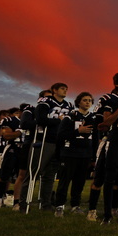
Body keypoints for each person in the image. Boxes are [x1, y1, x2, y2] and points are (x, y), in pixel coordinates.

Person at [91, 72, 118, 223]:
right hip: (115, 138)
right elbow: (105, 122)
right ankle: (107, 215)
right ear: (117, 83)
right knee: (109, 177)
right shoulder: (109, 98)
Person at [54, 92, 100, 217]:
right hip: (69, 153)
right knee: (64, 181)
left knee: (79, 183)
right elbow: (60, 136)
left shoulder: (93, 118)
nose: (87, 102)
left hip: (85, 155)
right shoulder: (70, 116)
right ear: (78, 101)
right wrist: (77, 131)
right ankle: (59, 206)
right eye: (84, 100)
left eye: (90, 100)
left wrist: (94, 156)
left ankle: (75, 205)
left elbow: (95, 139)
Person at [34, 83, 74, 211]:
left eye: (66, 89)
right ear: (54, 90)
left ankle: (46, 203)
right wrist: (58, 121)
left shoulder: (69, 105)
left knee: (50, 175)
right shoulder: (46, 101)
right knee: (35, 172)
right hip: (46, 140)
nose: (65, 91)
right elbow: (40, 119)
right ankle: (23, 202)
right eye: (62, 88)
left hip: (60, 142)